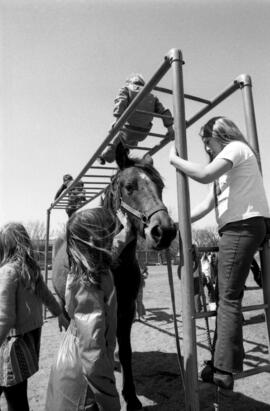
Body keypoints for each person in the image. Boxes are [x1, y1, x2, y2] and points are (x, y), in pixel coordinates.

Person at [169, 116, 270, 390]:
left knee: (226, 298)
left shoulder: (236, 148)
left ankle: (223, 369)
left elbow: (202, 175)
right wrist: (177, 221)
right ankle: (223, 362)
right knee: (228, 296)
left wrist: (175, 160)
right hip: (239, 227)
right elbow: (204, 205)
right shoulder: (227, 169)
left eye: (207, 143)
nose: (208, 149)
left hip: (241, 226)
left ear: (220, 134)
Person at [45, 207, 135, 411]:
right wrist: (110, 401)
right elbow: (92, 354)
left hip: (77, 366)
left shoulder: (92, 265)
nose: (113, 237)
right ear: (97, 242)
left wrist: (127, 229)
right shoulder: (89, 284)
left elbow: (114, 248)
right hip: (83, 381)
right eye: (109, 234)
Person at [0, 222, 64, 411]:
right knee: (17, 394)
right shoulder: (31, 269)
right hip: (29, 342)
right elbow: (46, 295)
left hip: (11, 346)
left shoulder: (7, 272)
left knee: (15, 399)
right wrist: (59, 314)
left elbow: (5, 318)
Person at [99, 73, 175, 164]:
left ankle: (105, 157)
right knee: (131, 133)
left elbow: (120, 103)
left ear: (129, 82)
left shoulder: (126, 89)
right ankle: (125, 149)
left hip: (127, 130)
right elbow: (164, 112)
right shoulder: (152, 95)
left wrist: (117, 123)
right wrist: (170, 130)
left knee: (117, 132)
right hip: (143, 134)